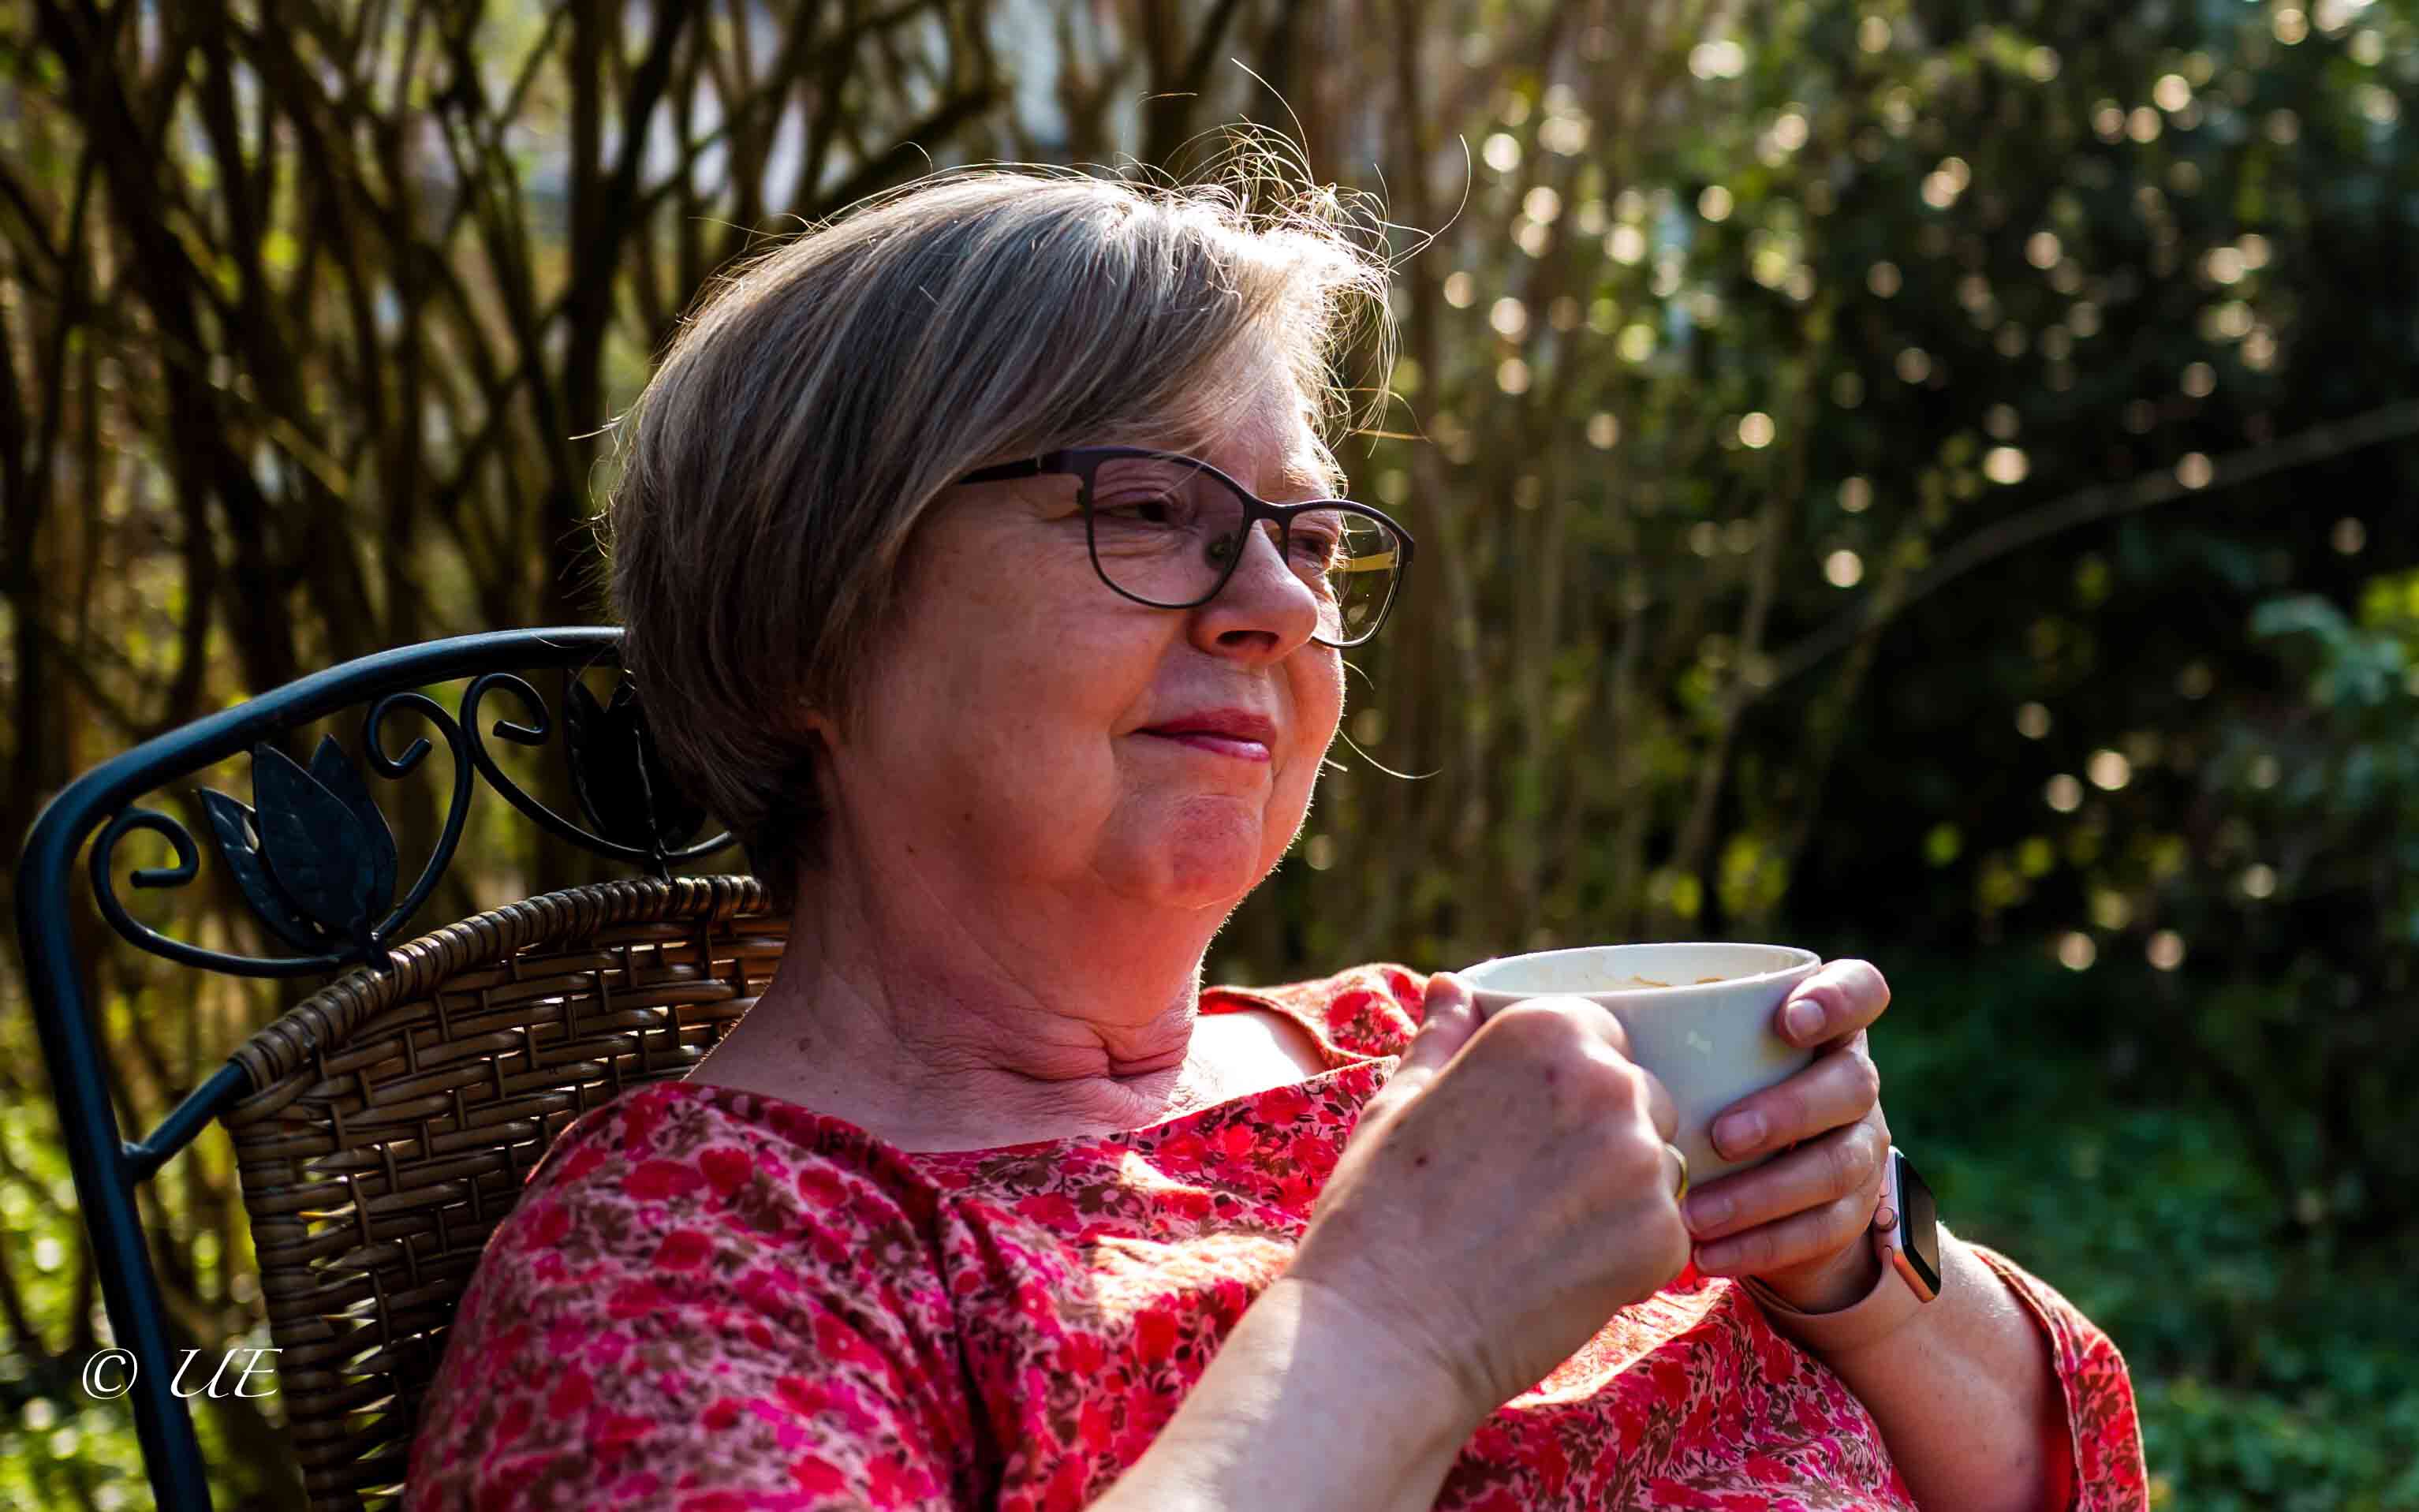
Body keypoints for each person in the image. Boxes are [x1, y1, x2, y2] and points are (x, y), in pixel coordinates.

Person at [406, 162, 2146, 1511]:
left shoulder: (1437, 1057)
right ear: (811, 624)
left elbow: (2057, 1467)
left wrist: (1858, 1257)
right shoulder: (688, 1267)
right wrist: (1392, 1330)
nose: (1278, 604)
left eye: (1309, 538)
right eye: (1146, 508)